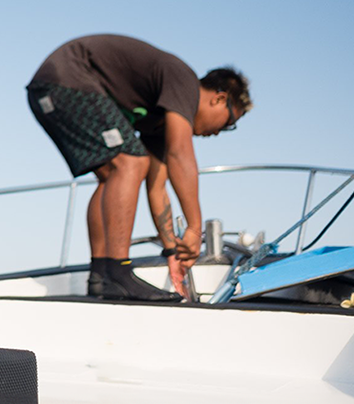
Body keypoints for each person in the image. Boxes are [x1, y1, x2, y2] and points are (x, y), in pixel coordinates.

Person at [27, 34, 251, 301]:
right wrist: (194, 227)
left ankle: (100, 275)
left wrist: (172, 252)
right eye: (229, 122)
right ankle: (118, 273)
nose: (219, 132)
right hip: (66, 77)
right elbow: (180, 153)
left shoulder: (159, 118)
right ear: (218, 98)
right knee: (131, 162)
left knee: (113, 174)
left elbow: (157, 188)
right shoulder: (184, 81)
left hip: (50, 86)